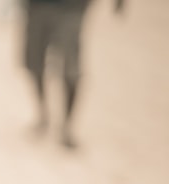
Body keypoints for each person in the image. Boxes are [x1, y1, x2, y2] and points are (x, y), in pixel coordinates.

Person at [22, 0, 125, 149]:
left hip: (72, 6)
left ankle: (67, 126)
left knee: (70, 66)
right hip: (37, 5)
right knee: (34, 61)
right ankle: (43, 114)